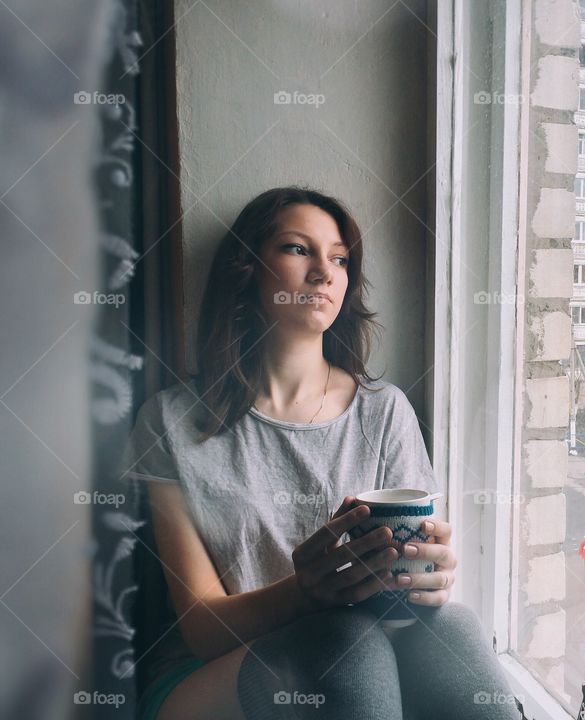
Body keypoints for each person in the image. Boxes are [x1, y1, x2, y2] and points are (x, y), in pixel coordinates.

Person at [120, 187, 520, 720]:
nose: (323, 273)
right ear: (247, 270)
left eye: (338, 258)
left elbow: (404, 597)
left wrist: (428, 579)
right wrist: (305, 594)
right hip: (212, 673)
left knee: (452, 628)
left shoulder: (385, 412)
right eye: (296, 249)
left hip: (361, 652)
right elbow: (201, 630)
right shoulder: (168, 422)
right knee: (342, 644)